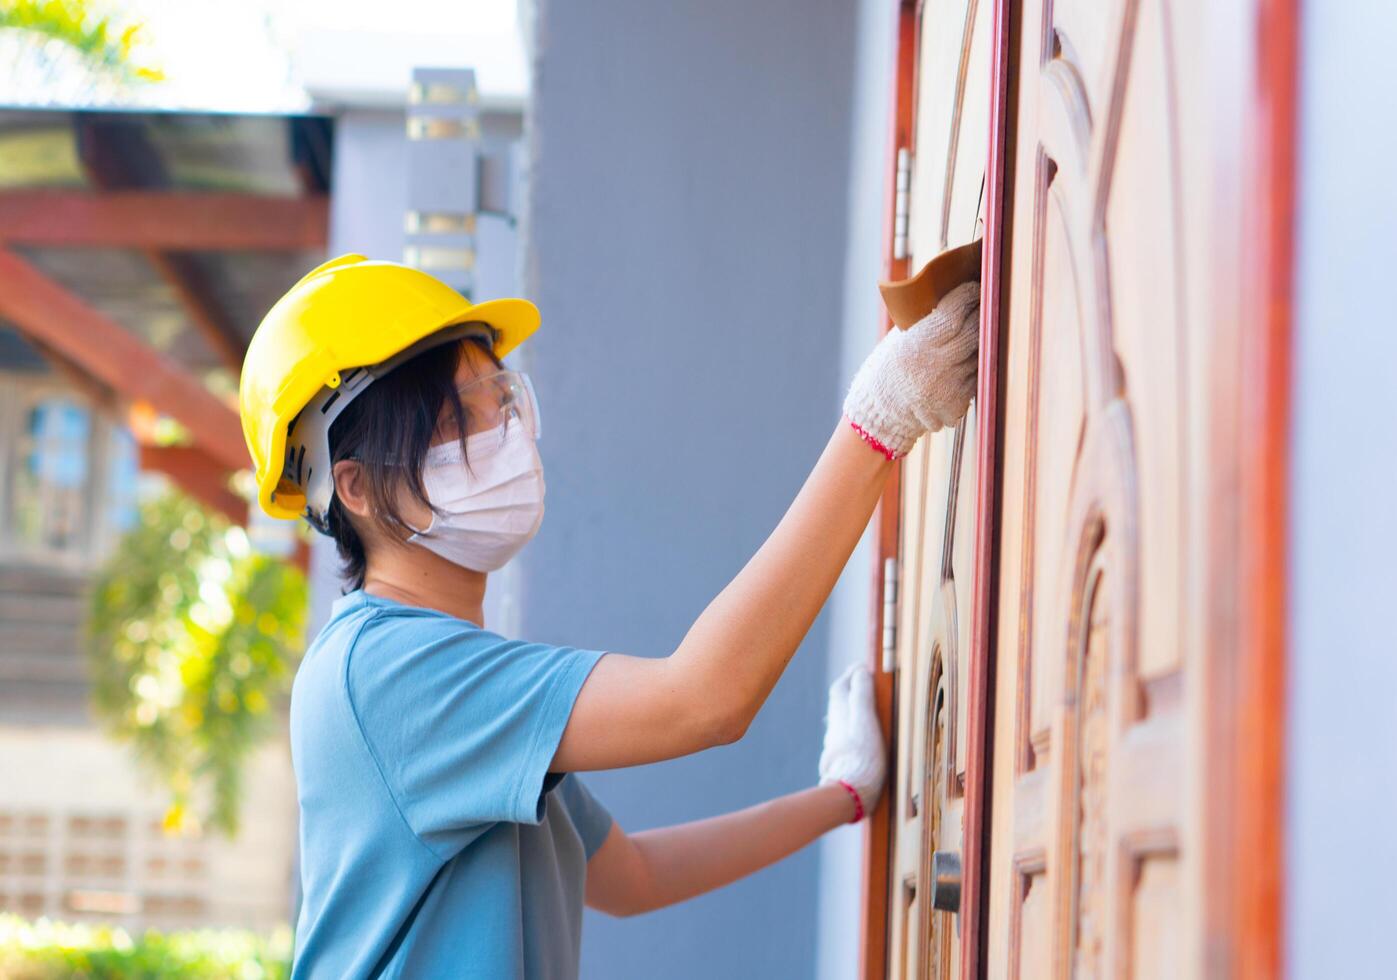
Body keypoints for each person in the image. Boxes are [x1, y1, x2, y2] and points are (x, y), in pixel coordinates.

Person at [237, 253, 980, 978]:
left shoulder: (444, 684)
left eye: (497, 400)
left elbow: (636, 878)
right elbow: (703, 700)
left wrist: (844, 797)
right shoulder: (381, 676)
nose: (501, 434)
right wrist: (879, 421)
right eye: (454, 419)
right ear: (357, 487)